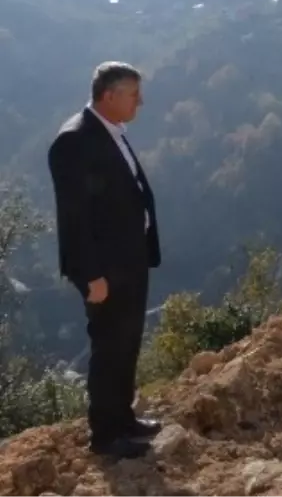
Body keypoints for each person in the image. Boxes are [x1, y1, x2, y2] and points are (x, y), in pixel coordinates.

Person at [47, 62, 162, 459]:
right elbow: (73, 218)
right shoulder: (75, 140)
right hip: (105, 271)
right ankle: (105, 435)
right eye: (134, 94)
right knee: (109, 346)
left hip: (129, 261)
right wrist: (90, 275)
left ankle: (124, 419)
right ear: (108, 95)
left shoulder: (111, 131)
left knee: (128, 341)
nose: (140, 101)